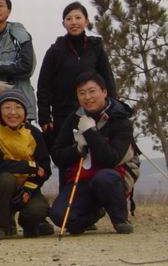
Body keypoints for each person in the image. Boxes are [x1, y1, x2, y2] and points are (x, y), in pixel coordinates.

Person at [49, 72, 136, 235]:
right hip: (82, 178)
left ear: (104, 92)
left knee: (104, 178)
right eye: (82, 93)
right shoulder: (73, 119)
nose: (87, 97)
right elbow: (58, 156)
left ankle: (120, 219)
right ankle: (95, 212)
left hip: (113, 177)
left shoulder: (121, 120)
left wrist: (90, 132)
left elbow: (110, 159)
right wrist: (77, 149)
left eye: (92, 91)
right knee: (60, 217)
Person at [37, 1, 116, 147]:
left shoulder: (96, 47)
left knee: (98, 151)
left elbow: (108, 80)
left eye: (78, 18)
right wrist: (44, 117)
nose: (73, 22)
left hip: (94, 111)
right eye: (69, 19)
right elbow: (43, 86)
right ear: (64, 24)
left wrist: (113, 108)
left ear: (86, 21)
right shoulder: (55, 51)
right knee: (67, 154)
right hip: (64, 114)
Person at [0, 89, 53, 240]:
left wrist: (28, 190)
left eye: (18, 107)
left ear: (25, 112)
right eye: (7, 107)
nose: (13, 112)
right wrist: (30, 167)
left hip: (27, 186)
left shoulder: (34, 133)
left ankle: (30, 223)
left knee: (37, 210)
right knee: (6, 179)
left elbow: (44, 169)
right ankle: (0, 225)